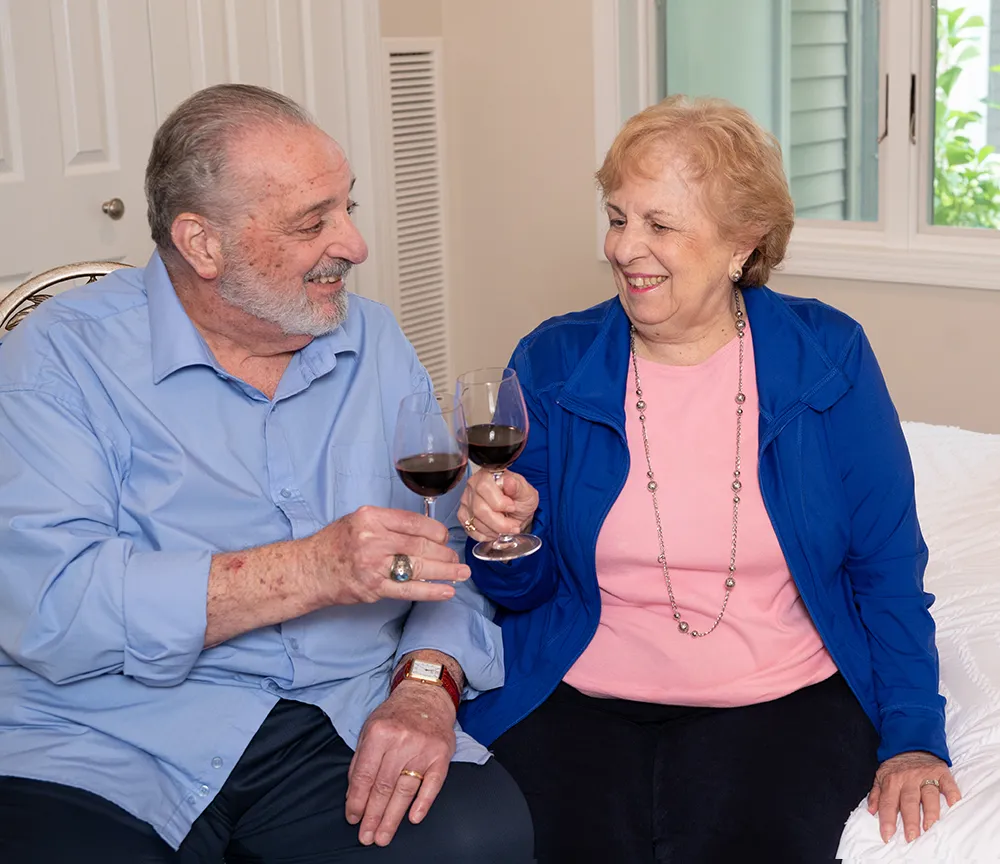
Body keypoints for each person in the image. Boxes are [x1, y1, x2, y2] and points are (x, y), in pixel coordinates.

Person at [0, 84, 533, 864]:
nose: (354, 244)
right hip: (107, 735)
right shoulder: (54, 363)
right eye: (312, 222)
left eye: (348, 208)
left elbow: (448, 549)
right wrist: (308, 570)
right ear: (202, 244)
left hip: (338, 711)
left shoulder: (374, 339)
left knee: (480, 837)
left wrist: (427, 682)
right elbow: (48, 609)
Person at [456, 95, 961, 862]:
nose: (625, 248)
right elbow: (517, 592)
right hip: (578, 695)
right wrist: (507, 539)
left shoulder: (827, 357)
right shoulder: (554, 361)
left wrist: (916, 735)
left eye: (659, 225)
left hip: (780, 702)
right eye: (618, 216)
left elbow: (885, 570)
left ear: (741, 243)